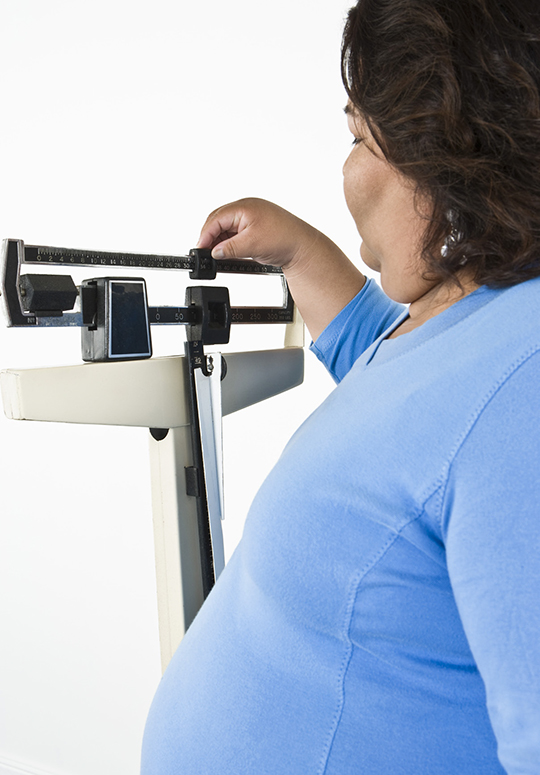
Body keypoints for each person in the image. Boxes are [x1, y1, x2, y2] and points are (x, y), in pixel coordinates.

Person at [141, 1, 540, 772]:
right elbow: (406, 403)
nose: (347, 165)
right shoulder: (482, 303)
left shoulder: (525, 384)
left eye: (361, 137)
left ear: (449, 158)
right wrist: (303, 255)